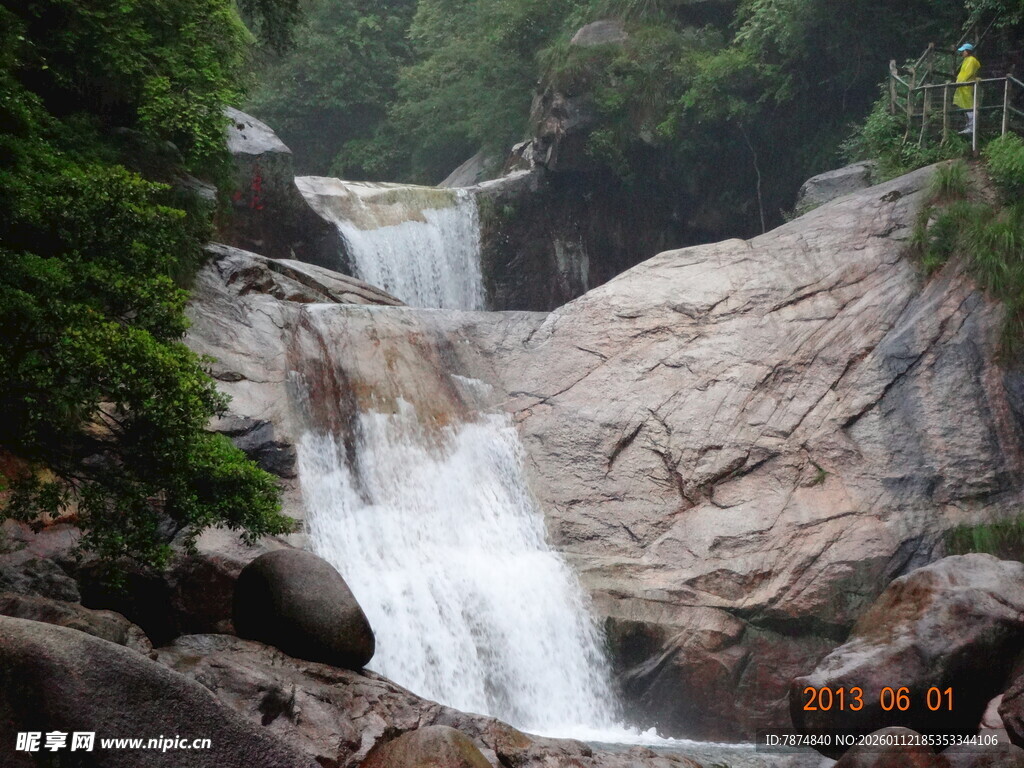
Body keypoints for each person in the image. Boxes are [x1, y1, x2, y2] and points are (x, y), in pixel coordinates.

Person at [954, 43, 981, 135]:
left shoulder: (971, 60)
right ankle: (969, 126)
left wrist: (961, 81)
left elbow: (968, 73)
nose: (962, 53)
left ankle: (971, 127)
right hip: (963, 86)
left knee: (969, 107)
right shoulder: (967, 60)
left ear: (968, 51)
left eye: (964, 51)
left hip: (966, 86)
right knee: (966, 107)